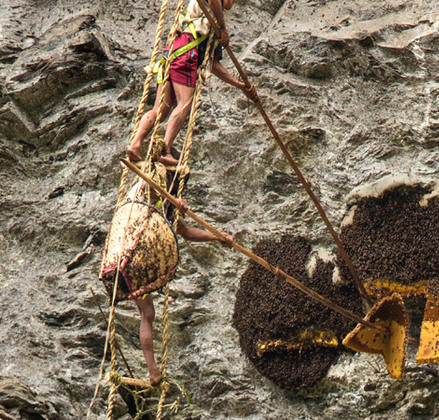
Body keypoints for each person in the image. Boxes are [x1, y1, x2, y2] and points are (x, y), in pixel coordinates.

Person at [126, 141, 233, 386]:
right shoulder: (148, 178)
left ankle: (153, 371)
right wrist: (175, 200)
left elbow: (184, 231)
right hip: (136, 251)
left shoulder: (160, 196)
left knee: (147, 313)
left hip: (130, 256)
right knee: (146, 313)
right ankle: (152, 371)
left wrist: (217, 237)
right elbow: (151, 188)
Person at [126, 0, 257, 166]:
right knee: (184, 104)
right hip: (188, 54)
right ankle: (166, 151)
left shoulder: (208, 23)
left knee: (160, 109)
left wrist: (240, 85)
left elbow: (214, 65)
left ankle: (135, 144)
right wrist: (223, 28)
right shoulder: (215, 19)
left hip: (174, 49)